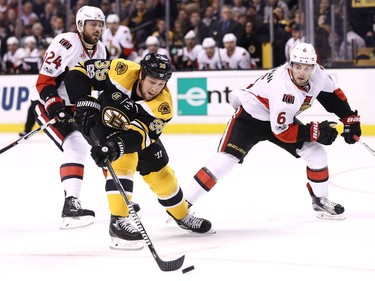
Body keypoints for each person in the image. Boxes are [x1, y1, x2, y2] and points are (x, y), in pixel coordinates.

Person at [184, 43, 361, 221]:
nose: (302, 73)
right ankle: (182, 206)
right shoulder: (284, 90)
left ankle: (320, 199)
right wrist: (314, 132)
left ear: (314, 67)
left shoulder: (319, 75)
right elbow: (283, 133)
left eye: (307, 68)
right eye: (298, 66)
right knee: (225, 161)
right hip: (251, 116)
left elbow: (332, 94)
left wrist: (349, 118)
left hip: (278, 119)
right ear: (290, 65)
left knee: (316, 153)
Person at [63, 53, 214, 250]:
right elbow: (78, 72)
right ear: (141, 74)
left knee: (162, 173)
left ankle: (182, 215)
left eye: (161, 83)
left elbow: (137, 137)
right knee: (125, 160)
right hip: (100, 124)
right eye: (152, 81)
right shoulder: (121, 70)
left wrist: (114, 146)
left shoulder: (163, 106)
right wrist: (84, 102)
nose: (155, 88)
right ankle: (118, 221)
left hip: (131, 135)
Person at [30, 6, 107, 229]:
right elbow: (44, 82)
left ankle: (119, 195)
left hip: (75, 107)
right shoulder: (66, 43)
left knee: (103, 143)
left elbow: (95, 86)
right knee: (75, 145)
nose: (98, 29)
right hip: (46, 103)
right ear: (80, 25)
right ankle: (70, 204)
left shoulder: (100, 50)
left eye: (100, 25)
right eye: (93, 24)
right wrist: (55, 105)